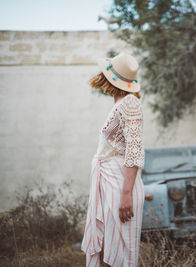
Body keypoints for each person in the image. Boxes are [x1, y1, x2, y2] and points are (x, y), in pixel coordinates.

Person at [81, 52, 145, 267]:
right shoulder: (119, 103)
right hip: (108, 180)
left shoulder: (129, 103)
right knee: (104, 251)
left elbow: (134, 151)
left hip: (120, 184)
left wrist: (126, 194)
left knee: (115, 254)